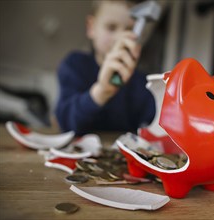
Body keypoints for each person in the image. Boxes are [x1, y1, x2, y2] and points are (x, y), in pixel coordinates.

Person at [55, 0, 155, 135]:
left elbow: (151, 129)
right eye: (111, 27)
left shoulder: (143, 83)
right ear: (91, 27)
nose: (119, 38)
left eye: (129, 29)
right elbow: (66, 124)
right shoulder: (75, 65)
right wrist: (101, 91)